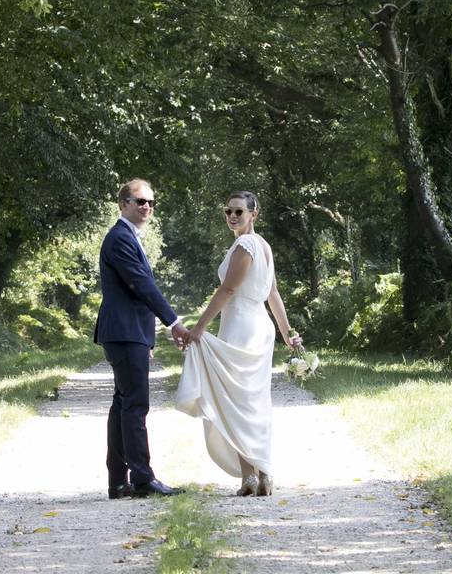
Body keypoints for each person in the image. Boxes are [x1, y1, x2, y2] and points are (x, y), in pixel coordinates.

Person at [176, 191, 302, 496]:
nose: (232, 216)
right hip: (259, 326)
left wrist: (199, 327)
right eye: (228, 211)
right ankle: (262, 473)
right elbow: (272, 293)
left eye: (239, 212)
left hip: (244, 327)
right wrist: (286, 332)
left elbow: (230, 289)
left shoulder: (246, 245)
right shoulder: (264, 246)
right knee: (252, 400)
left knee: (239, 401)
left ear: (253, 214)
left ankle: (251, 475)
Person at [94, 178, 189, 499]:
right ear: (123, 204)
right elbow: (140, 285)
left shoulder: (128, 237)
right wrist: (173, 322)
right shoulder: (119, 238)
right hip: (123, 333)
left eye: (151, 202)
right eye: (140, 201)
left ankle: (118, 481)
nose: (147, 206)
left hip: (128, 333)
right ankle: (142, 478)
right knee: (135, 405)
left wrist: (146, 339)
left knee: (123, 405)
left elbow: (135, 290)